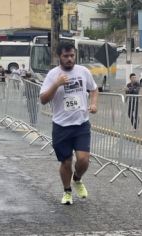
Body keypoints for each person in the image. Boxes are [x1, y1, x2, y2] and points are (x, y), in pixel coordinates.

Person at [39, 41, 98, 205]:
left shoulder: (83, 71)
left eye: (72, 55)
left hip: (81, 124)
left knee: (83, 160)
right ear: (60, 56)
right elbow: (43, 99)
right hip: (61, 126)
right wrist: (56, 84)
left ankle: (77, 179)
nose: (70, 59)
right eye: (66, 56)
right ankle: (67, 191)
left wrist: (93, 104)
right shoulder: (52, 75)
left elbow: (94, 89)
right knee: (66, 162)